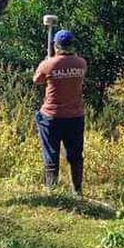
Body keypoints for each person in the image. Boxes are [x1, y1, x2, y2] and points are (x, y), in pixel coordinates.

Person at [32, 30, 87, 195]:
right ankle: (77, 190)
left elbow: (37, 80)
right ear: (72, 44)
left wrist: (46, 61)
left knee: (51, 153)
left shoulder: (48, 64)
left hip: (51, 116)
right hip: (75, 116)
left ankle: (52, 191)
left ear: (56, 45)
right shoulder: (81, 63)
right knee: (75, 154)